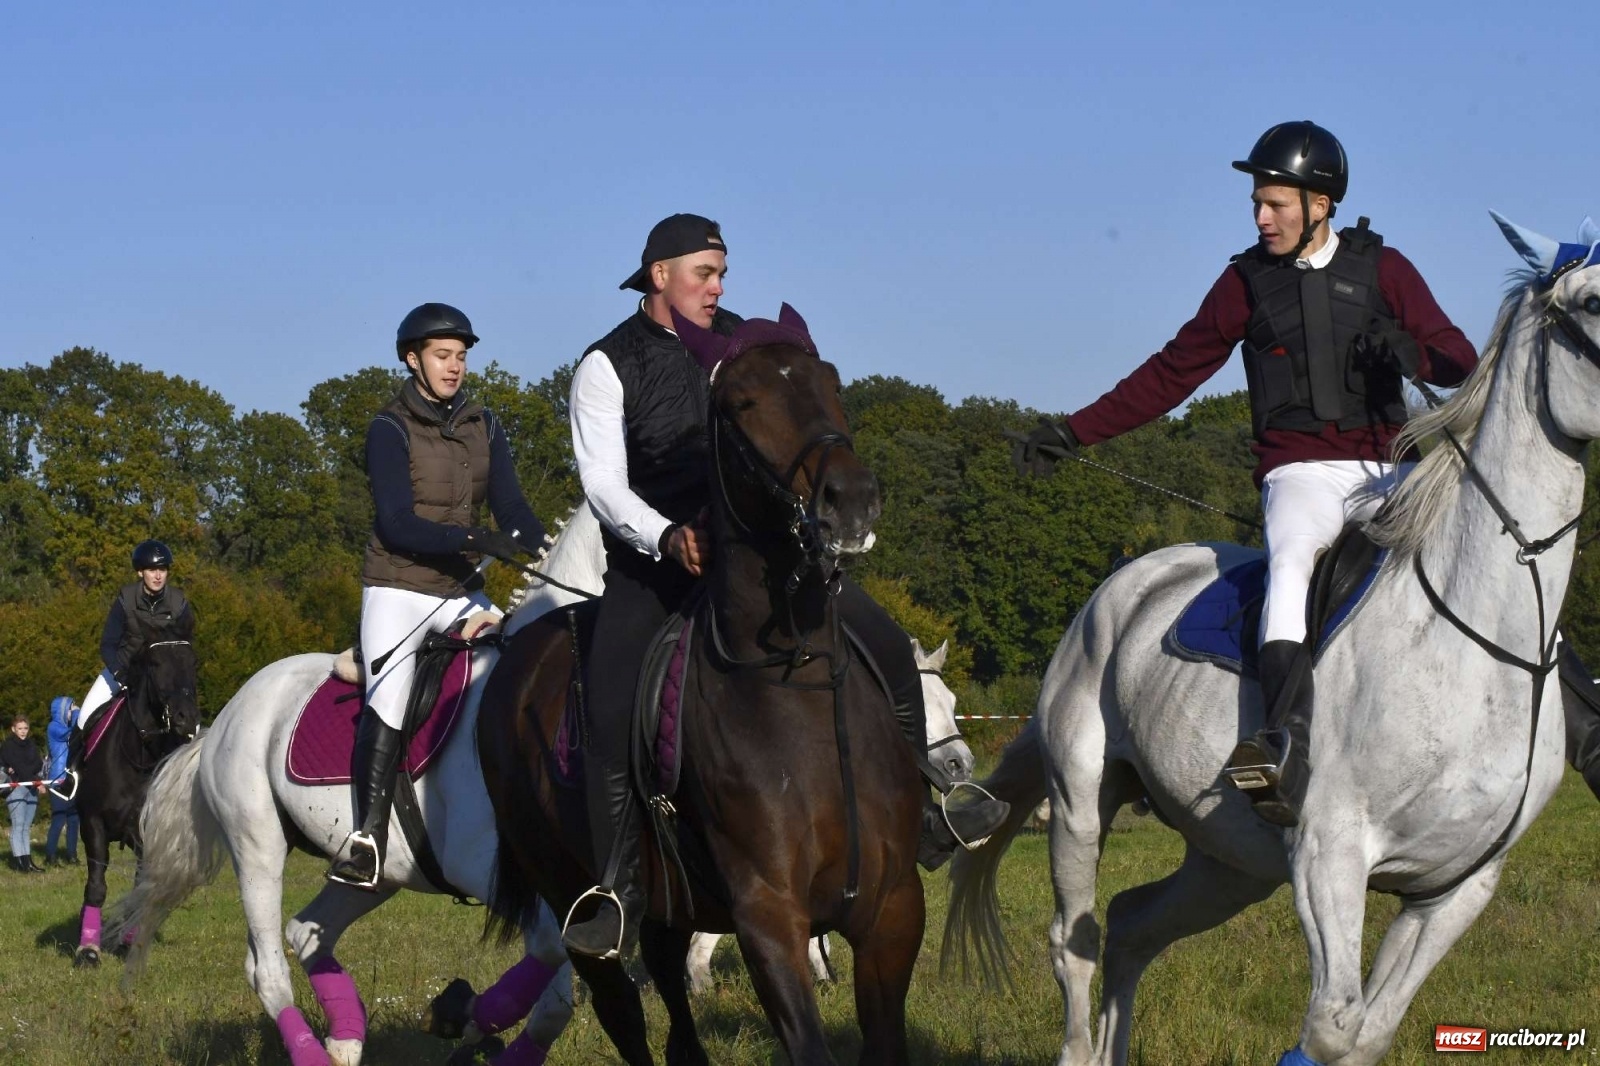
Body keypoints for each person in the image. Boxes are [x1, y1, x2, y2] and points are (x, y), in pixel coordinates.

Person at [561, 213, 1009, 959]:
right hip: (655, 567)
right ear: (659, 275)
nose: (718, 286)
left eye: (723, 273)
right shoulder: (607, 365)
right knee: (609, 709)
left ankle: (926, 810)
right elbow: (602, 484)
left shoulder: (744, 347)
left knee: (890, 650)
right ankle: (617, 886)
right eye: (705, 272)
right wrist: (667, 536)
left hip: (757, 564)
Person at [1013, 121, 1479, 827]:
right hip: (1300, 476)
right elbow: (1172, 372)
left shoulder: (1387, 271)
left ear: (1321, 204)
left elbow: (1461, 361)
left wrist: (1410, 350)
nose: (1262, 217)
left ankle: (1578, 718)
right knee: (1291, 562)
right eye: (1257, 203)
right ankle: (1284, 744)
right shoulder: (1243, 284)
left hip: (1388, 470)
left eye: (1277, 204)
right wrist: (1075, 432)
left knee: (1479, 551)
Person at [327, 303, 547, 889]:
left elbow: (512, 504)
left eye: (462, 356)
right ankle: (366, 836)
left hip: (460, 589)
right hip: (398, 585)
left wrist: (538, 543)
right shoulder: (388, 428)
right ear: (412, 359)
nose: (455, 367)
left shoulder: (486, 424)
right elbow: (397, 523)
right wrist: (479, 539)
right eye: (443, 356)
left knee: (527, 659)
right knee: (392, 697)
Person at [69, 540, 195, 775]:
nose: (158, 575)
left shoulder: (179, 604)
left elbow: (187, 645)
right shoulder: (125, 600)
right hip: (124, 670)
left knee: (192, 726)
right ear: (140, 572)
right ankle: (72, 773)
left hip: (164, 678)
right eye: (152, 570)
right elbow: (108, 644)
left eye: (163, 569)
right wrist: (120, 674)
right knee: (85, 715)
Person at [2, 714, 45, 873]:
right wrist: (34, 778)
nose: (23, 731)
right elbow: (18, 765)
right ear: (13, 729)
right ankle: (19, 861)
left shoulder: (31, 744)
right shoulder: (8, 745)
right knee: (18, 825)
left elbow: (38, 763)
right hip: (16, 788)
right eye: (19, 728)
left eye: (25, 728)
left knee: (26, 827)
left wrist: (32, 777)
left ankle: (28, 861)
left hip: (31, 787)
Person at [45, 696, 80, 865]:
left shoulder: (63, 726)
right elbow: (71, 733)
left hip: (71, 779)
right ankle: (50, 856)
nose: (72, 711)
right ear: (62, 710)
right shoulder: (54, 727)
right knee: (59, 819)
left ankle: (71, 855)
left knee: (74, 819)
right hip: (58, 779)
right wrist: (77, 713)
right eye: (70, 708)